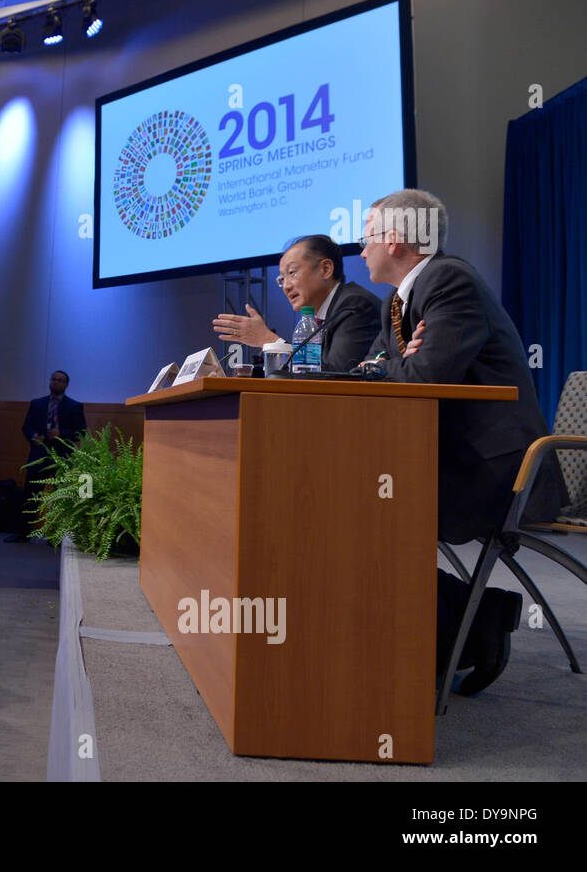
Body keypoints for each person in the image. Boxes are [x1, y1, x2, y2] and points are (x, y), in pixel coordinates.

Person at [358, 187, 566, 696]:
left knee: (365, 507)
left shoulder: (449, 280)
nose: (360, 250)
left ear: (396, 240)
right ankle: (476, 619)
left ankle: (467, 626)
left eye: (366, 238)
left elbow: (424, 375)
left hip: (497, 468)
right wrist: (392, 365)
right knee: (352, 501)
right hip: (454, 458)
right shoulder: (399, 301)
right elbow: (368, 370)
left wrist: (394, 366)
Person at [212, 234, 381, 372]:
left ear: (326, 269)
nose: (286, 286)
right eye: (282, 279)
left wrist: (269, 340)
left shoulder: (354, 306)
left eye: (292, 273)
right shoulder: (314, 319)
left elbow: (336, 375)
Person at [7, 370, 87, 542]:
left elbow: (81, 432)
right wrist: (32, 437)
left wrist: (61, 433)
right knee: (31, 495)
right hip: (39, 454)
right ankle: (23, 533)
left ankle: (56, 537)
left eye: (60, 380)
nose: (56, 382)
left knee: (60, 497)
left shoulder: (74, 406)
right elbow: (26, 427)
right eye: (54, 379)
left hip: (62, 456)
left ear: (66, 385)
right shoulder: (37, 404)